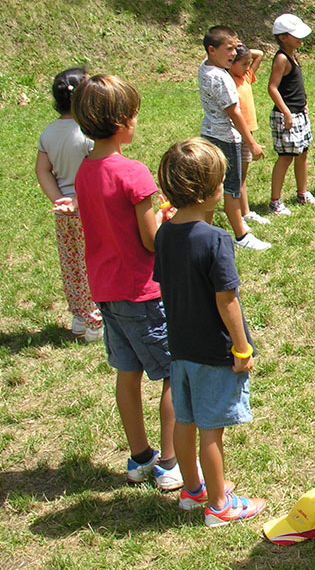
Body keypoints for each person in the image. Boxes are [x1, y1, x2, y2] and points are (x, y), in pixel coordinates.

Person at [72, 74, 182, 489]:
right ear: (121, 122)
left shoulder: (84, 170)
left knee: (127, 371)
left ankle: (140, 458)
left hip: (106, 290)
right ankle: (170, 463)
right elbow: (151, 240)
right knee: (173, 371)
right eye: (134, 114)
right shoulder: (134, 172)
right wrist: (167, 220)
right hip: (142, 290)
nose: (137, 121)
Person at [154, 138, 266, 527]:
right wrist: (242, 347)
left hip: (180, 348)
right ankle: (219, 505)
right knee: (211, 432)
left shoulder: (163, 234)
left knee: (185, 421)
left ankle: (192, 489)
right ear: (208, 192)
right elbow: (227, 300)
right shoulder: (216, 239)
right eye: (220, 181)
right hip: (214, 352)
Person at [35, 66, 102, 342]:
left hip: (64, 214)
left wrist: (60, 199)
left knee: (72, 263)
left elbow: (42, 170)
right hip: (91, 210)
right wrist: (78, 199)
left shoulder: (49, 132)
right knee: (94, 263)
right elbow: (99, 170)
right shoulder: (89, 133)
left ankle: (79, 317)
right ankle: (96, 322)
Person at [198, 25, 269, 250]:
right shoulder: (220, 77)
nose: (234, 54)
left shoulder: (205, 66)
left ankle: (204, 232)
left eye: (236, 48)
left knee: (212, 188)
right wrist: (252, 143)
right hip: (226, 139)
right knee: (232, 189)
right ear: (212, 50)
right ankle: (241, 236)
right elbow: (235, 113)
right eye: (229, 49)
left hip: (209, 134)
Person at [267, 13, 315, 215]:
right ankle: (275, 202)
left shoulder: (292, 55)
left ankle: (302, 193)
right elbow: (272, 88)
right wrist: (286, 113)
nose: (300, 38)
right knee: (286, 157)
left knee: (302, 154)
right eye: (295, 35)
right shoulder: (281, 58)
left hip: (299, 113)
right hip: (287, 116)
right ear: (283, 37)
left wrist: (303, 104)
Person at [227, 43, 270, 227]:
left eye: (247, 63)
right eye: (243, 63)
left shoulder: (245, 76)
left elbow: (259, 54)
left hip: (247, 131)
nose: (247, 67)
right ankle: (238, 213)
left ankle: (245, 212)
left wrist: (241, 50)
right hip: (235, 132)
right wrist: (233, 53)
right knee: (235, 175)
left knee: (242, 175)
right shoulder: (228, 80)